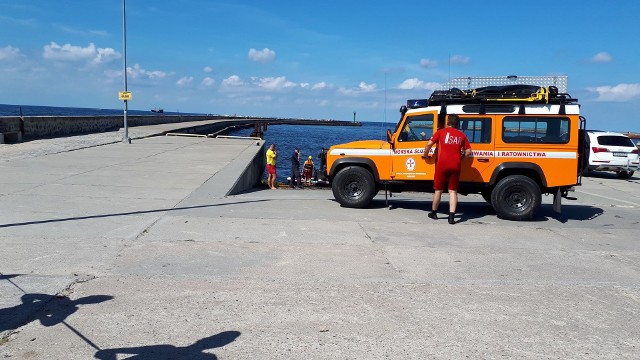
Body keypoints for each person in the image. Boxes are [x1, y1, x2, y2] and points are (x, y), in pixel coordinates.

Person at [423, 114, 472, 224]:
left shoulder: (441, 132)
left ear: (447, 122)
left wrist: (426, 155)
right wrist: (461, 158)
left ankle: (434, 213)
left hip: (442, 165)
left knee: (438, 190)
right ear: (457, 124)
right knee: (453, 191)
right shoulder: (462, 135)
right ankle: (451, 217)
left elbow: (429, 145)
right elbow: (468, 151)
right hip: (456, 165)